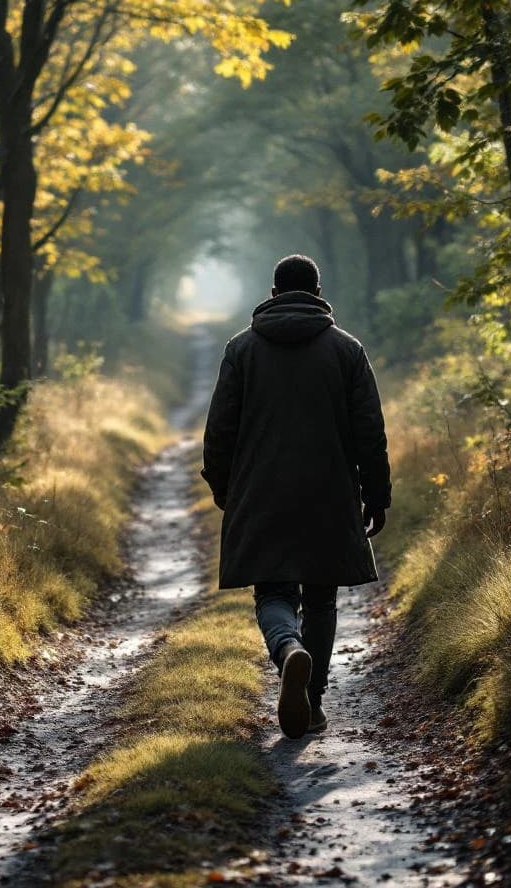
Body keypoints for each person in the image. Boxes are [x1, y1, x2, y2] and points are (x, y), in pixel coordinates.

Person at [201, 254, 391, 740]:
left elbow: (219, 430)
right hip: (330, 491)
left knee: (273, 592)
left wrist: (223, 487)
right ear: (318, 293)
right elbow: (369, 432)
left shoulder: (241, 350)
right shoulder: (347, 350)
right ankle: (312, 702)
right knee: (321, 596)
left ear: (272, 293)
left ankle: (288, 649)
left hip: (259, 491)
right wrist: (377, 494)